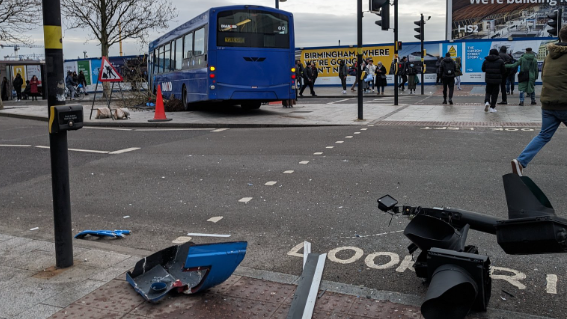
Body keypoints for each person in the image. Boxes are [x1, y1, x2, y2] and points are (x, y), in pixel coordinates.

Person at [511, 25, 567, 176]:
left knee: (543, 135)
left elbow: (544, 77)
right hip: (564, 104)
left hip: (548, 103)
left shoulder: (549, 55)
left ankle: (521, 162)